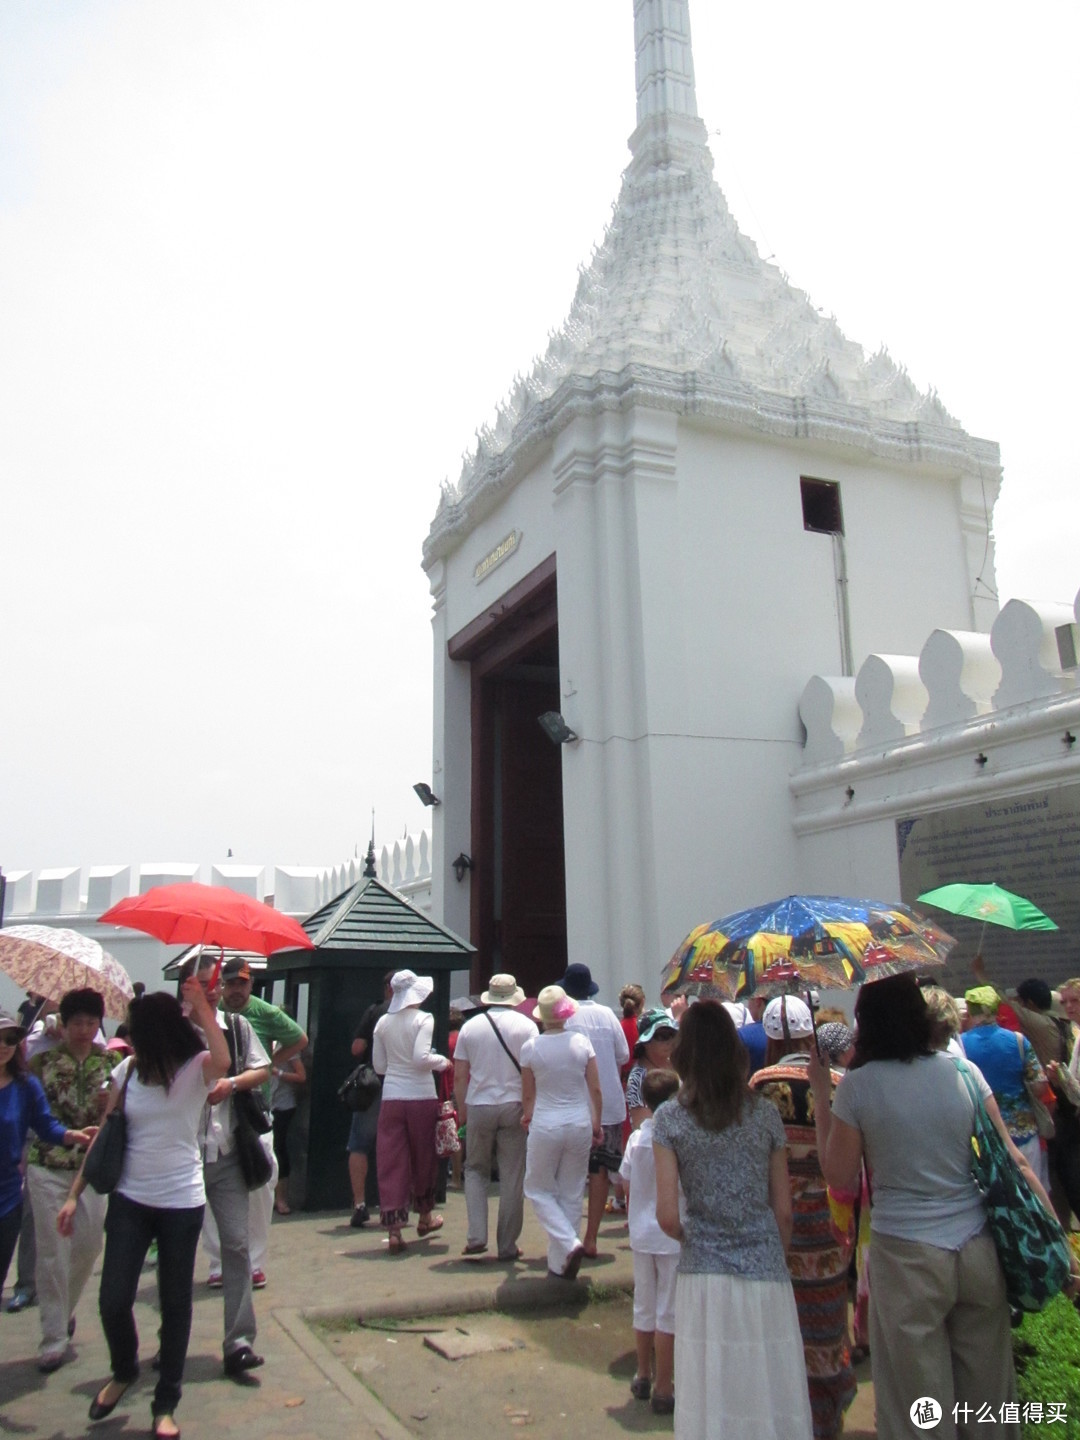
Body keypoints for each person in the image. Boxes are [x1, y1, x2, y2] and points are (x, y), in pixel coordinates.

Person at [809, 973, 1063, 1440]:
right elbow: (1017, 1162)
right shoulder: (963, 1073)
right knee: (988, 1404)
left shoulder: (859, 1087)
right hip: (977, 1249)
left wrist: (822, 1096)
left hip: (906, 1256)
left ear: (868, 1023)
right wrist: (1058, 1246)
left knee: (920, 1412)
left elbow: (839, 1178)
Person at [60, 983, 229, 1440]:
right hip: (131, 1199)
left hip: (181, 1202)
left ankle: (166, 1402)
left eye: (137, 1032)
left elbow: (224, 1061)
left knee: (176, 1304)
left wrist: (200, 1010)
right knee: (113, 1298)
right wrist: (76, 1193)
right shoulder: (128, 1073)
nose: (130, 1040)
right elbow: (106, 1136)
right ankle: (124, 1369)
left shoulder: (196, 1070)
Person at [652, 999, 813, 1440]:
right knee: (768, 1389)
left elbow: (666, 1215)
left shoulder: (668, 1119)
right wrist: (771, 1248)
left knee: (712, 1394)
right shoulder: (764, 1114)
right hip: (764, 1265)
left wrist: (696, 1235)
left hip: (705, 1273)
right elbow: (783, 1209)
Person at [749, 996, 855, 1440]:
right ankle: (827, 1413)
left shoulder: (758, 1083)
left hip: (778, 1223)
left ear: (770, 1039)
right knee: (827, 1323)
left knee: (782, 1327)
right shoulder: (835, 1081)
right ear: (811, 1035)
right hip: (829, 1223)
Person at [185, 953, 272, 1377]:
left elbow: (263, 1069)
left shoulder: (237, 1028)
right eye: (203, 983)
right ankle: (172, 1339)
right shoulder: (174, 1034)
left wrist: (231, 1083)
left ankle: (238, 1340)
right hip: (180, 1158)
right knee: (177, 1252)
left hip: (225, 1152)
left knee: (236, 1244)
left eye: (214, 983)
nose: (212, 989)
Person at [27, 988, 119, 1373]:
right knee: (52, 1249)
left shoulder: (113, 1063)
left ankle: (63, 1311)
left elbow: (123, 1112)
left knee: (88, 1243)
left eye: (90, 1023)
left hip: (93, 1165)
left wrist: (108, 1105)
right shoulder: (42, 1062)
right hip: (48, 1162)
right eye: (76, 1022)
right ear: (62, 1024)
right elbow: (33, 1111)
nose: (83, 1030)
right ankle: (53, 1336)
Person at [211, 958, 307, 1289]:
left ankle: (254, 1261)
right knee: (211, 1185)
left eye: (242, 983)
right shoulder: (213, 1014)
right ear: (221, 985)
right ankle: (217, 1262)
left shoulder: (265, 1013)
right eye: (230, 984)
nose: (236, 990)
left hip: (254, 1108)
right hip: (215, 1112)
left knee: (262, 1182)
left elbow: (299, 1039)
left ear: (250, 985)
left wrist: (272, 1062)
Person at [1, 1013, 94, 1309]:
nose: (4, 1045)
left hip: (7, 1197)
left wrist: (72, 1135)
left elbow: (45, 1126)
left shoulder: (25, 1085)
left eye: (11, 1039)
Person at [520, 985, 603, 1280]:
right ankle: (561, 1260)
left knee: (538, 1189)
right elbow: (595, 1087)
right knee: (571, 1191)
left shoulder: (531, 1047)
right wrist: (597, 1121)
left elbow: (528, 1095)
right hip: (579, 1121)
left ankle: (567, 1246)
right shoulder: (581, 1043)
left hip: (545, 1122)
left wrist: (527, 1116)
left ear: (541, 1017)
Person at [453, 973, 537, 1260]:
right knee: (513, 1176)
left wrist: (462, 1111)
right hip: (514, 1103)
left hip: (479, 1103)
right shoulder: (527, 1027)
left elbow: (460, 1075)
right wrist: (530, 1109)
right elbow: (532, 1073)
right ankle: (507, 1244)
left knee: (475, 1170)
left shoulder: (470, 1028)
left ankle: (477, 1235)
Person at [372, 970, 449, 1253]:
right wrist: (442, 1062)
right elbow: (421, 1058)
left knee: (392, 1160)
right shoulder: (423, 1019)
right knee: (424, 1157)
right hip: (420, 1095)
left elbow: (379, 1066)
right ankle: (425, 1215)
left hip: (392, 1096)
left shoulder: (382, 1023)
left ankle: (394, 1229)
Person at [619, 1067, 681, 1416]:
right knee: (667, 1312)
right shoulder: (678, 1137)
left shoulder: (637, 1139)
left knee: (644, 1305)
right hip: (672, 1234)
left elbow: (625, 1182)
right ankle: (664, 1385)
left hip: (641, 1232)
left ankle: (643, 1373)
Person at [563, 963, 629, 1257]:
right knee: (600, 1169)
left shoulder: (565, 1018)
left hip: (575, 1103)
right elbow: (623, 1054)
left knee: (573, 1171)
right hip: (610, 1105)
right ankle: (591, 1237)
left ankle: (570, 1236)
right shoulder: (606, 1014)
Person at [962, 983, 1050, 1188]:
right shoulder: (1018, 1041)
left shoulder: (960, 1045)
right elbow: (1040, 1088)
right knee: (1034, 1195)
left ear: (970, 1010)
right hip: (1024, 1134)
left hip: (984, 1138)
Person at [347, 972, 392, 1228]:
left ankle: (360, 1204)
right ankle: (394, 1204)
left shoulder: (375, 1011)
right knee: (397, 1145)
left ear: (388, 988)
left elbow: (356, 1048)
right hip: (404, 1086)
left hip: (373, 1085)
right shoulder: (417, 1015)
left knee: (359, 1144)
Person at [625, 1008, 678, 1129]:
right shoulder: (638, 1078)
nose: (670, 1041)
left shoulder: (677, 1066)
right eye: (663, 1036)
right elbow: (642, 1125)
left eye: (672, 1034)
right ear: (646, 1042)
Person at [270, 1041, 305, 1216]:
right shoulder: (259, 1039)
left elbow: (301, 1076)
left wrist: (279, 1073)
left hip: (283, 1104)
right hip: (263, 1103)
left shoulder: (287, 1046)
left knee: (279, 1147)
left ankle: (281, 1198)